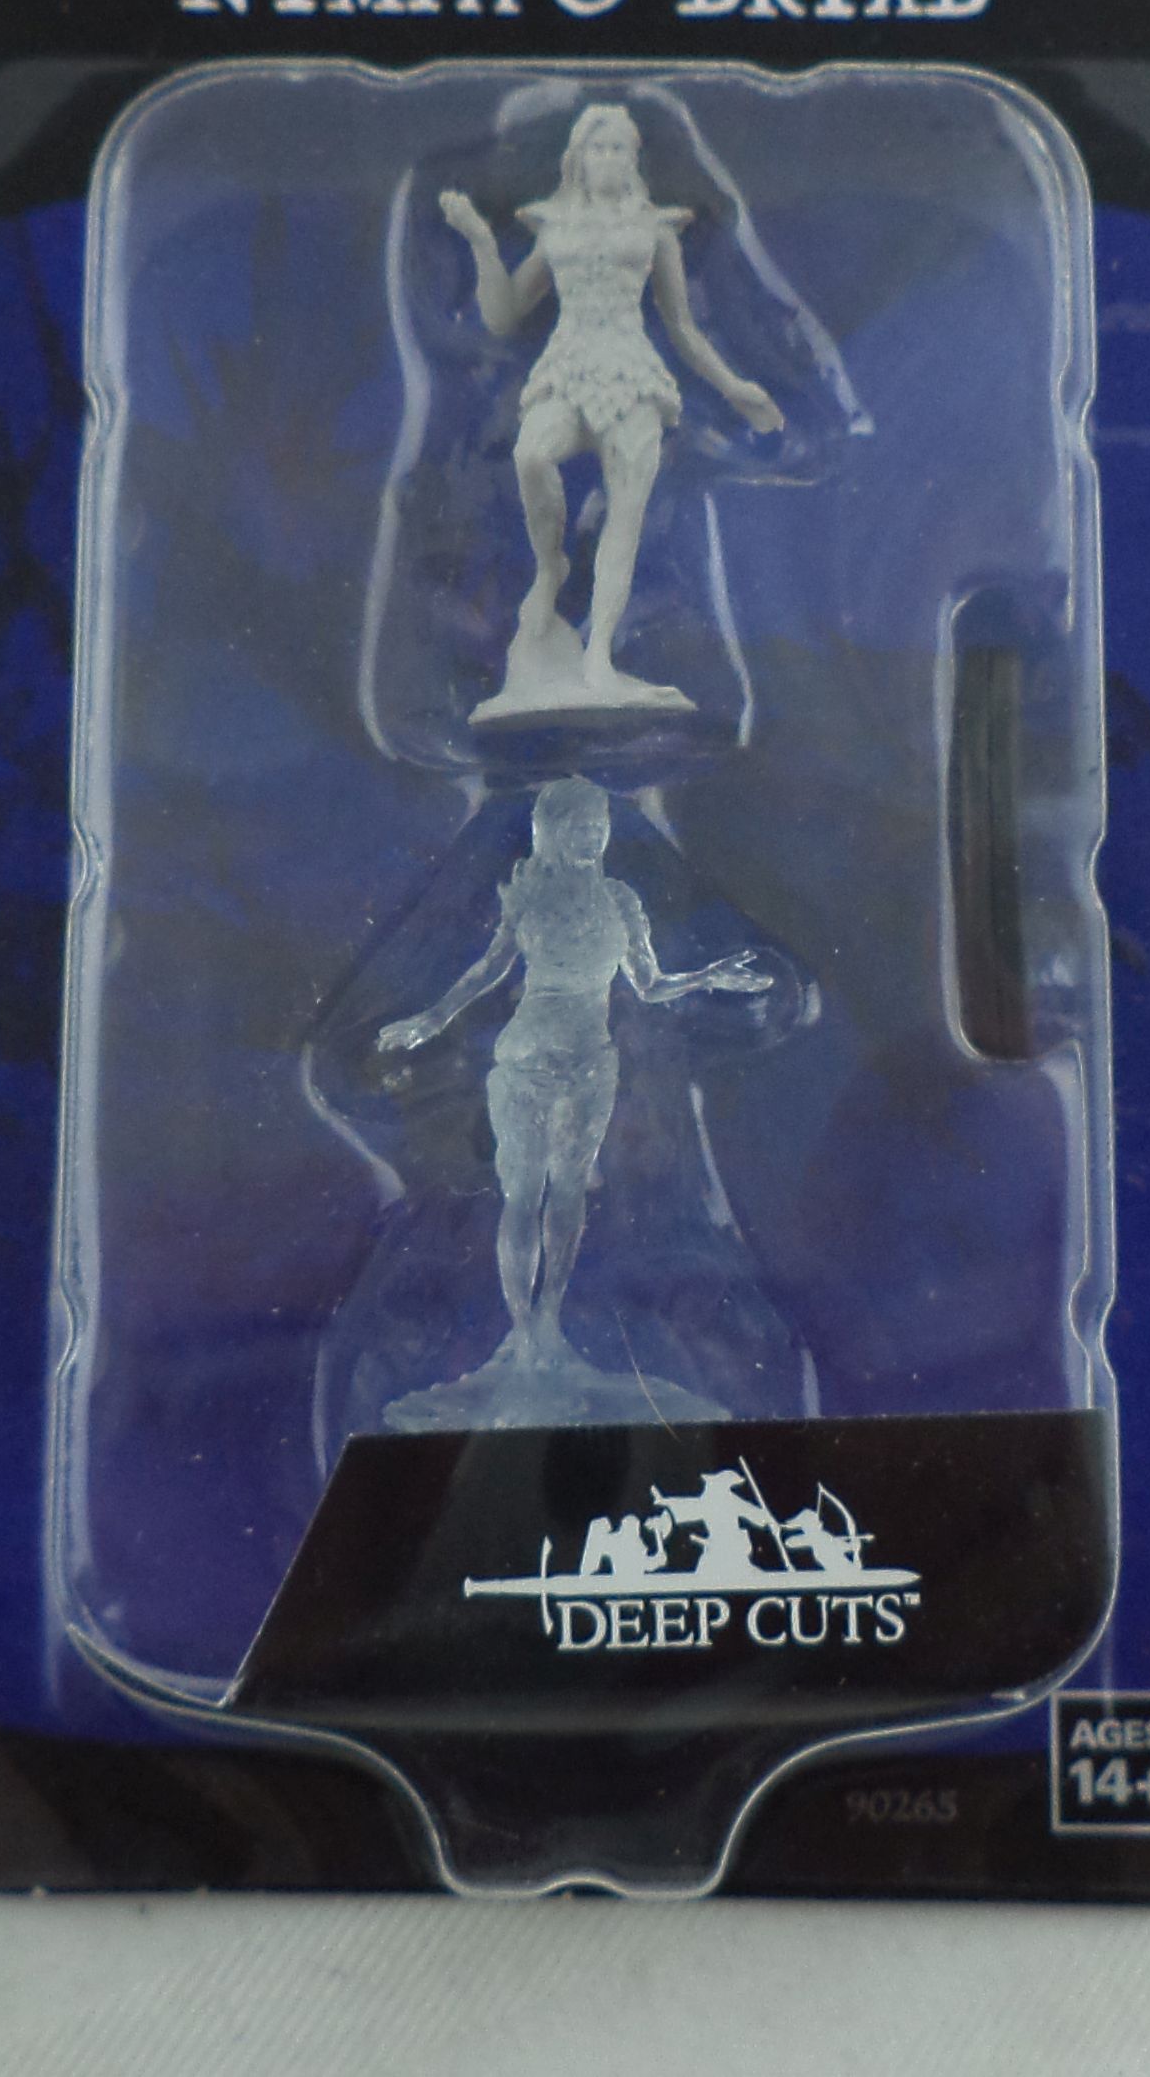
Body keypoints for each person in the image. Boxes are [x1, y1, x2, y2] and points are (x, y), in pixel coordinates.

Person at [375, 778, 770, 1360]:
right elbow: (488, 969)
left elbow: (650, 984)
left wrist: (708, 977)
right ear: (553, 832)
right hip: (525, 1059)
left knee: (568, 1190)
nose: (590, 836)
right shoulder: (530, 896)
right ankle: (520, 1333)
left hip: (591, 1062)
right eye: (578, 827)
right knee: (523, 1192)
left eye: (597, 826)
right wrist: (431, 1019)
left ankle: (549, 1324)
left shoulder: (620, 901)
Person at [440, 104, 784, 717]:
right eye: (598, 149)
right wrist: (480, 242)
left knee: (625, 516)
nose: (608, 159)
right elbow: (503, 316)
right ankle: (550, 568)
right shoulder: (556, 226)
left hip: (631, 373)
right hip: (567, 366)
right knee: (530, 455)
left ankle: (599, 656)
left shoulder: (655, 229)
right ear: (578, 158)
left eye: (619, 149)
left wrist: (735, 388)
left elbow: (682, 326)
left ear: (633, 161)